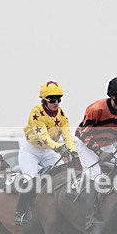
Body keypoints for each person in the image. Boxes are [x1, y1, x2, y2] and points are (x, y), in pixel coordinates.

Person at [74, 76, 117, 229]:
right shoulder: (96, 109)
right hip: (86, 145)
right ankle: (90, 218)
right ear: (113, 96)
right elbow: (83, 134)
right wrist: (99, 153)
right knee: (96, 176)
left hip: (106, 144)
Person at [15, 81, 77, 225]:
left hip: (48, 151)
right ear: (44, 100)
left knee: (64, 175)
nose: (56, 103)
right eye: (52, 100)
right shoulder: (36, 112)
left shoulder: (61, 114)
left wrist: (73, 151)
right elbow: (43, 137)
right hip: (31, 150)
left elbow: (67, 134)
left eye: (59, 99)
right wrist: (59, 148)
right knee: (32, 180)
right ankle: (20, 212)